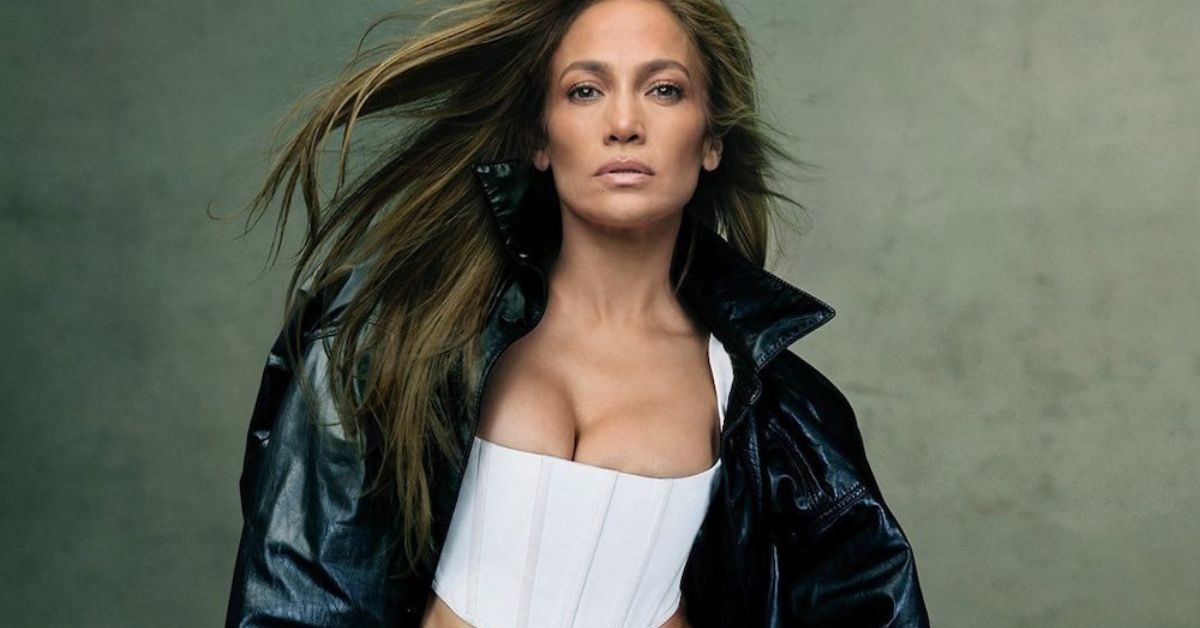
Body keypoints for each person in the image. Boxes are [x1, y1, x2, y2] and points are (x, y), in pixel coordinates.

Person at [223, 0, 930, 626]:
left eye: (664, 89)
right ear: (540, 137)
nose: (623, 124)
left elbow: (869, 599)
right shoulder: (394, 334)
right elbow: (297, 596)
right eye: (585, 90)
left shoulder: (771, 406)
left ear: (712, 140)